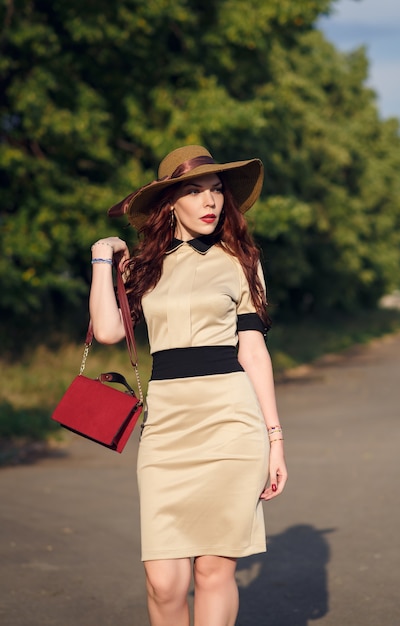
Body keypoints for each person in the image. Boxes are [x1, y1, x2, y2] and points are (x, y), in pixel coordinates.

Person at [89, 145, 287, 626]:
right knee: (163, 583)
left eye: (216, 191)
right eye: (195, 192)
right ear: (169, 203)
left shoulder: (241, 259)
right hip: (167, 429)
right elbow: (110, 331)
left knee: (214, 571)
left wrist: (274, 439)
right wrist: (102, 258)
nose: (210, 202)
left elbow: (253, 352)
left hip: (231, 424)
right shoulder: (142, 267)